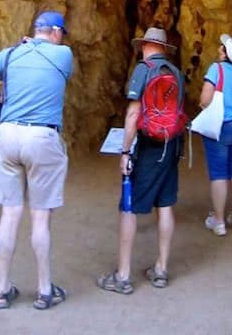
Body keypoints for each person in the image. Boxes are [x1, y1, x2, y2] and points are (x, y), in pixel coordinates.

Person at [0, 11, 73, 310]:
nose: (62, 38)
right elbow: (51, 59)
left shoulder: (11, 55)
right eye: (61, 32)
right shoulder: (63, 55)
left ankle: (2, 290)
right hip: (41, 138)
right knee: (40, 217)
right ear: (54, 32)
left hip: (8, 136)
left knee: (10, 214)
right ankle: (44, 290)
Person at [97, 26, 186, 294]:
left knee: (129, 207)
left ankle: (122, 276)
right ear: (165, 49)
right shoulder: (178, 74)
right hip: (171, 147)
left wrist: (125, 151)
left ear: (145, 45)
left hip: (147, 148)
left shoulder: (143, 70)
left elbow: (134, 114)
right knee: (166, 204)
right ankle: (161, 269)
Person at [200, 34, 232, 236]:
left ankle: (219, 221)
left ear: (226, 54)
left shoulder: (216, 69)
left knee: (219, 173)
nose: (219, 48)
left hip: (220, 127)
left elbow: (205, 98)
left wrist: (203, 107)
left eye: (222, 47)